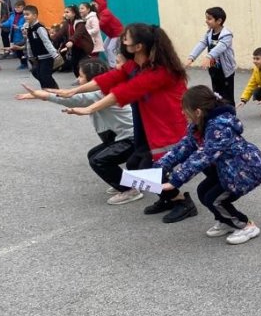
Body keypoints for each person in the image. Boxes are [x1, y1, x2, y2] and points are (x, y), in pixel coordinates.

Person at [51, 23, 192, 220]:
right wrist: (72, 90)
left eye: (127, 37)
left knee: (149, 167)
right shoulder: (135, 65)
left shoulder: (160, 71)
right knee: (135, 165)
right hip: (147, 124)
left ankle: (181, 200)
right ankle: (167, 196)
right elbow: (108, 79)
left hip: (168, 125)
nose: (122, 39)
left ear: (139, 46)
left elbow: (125, 91)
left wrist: (89, 109)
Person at [15, 58, 139, 204]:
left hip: (132, 139)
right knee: (93, 154)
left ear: (92, 79)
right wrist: (40, 95)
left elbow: (73, 99)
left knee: (99, 161)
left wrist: (44, 95)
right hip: (122, 136)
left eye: (81, 76)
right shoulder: (102, 90)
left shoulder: (101, 92)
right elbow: (74, 97)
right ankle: (124, 181)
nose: (78, 79)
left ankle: (129, 190)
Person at [156, 85, 261, 245]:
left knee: (214, 198)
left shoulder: (218, 127)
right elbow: (184, 146)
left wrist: (175, 180)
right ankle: (226, 221)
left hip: (245, 170)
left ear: (198, 112)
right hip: (229, 168)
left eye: (184, 109)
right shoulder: (198, 124)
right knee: (203, 191)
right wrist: (159, 166)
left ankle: (245, 225)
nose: (182, 113)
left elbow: (203, 156)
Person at [186, 6, 236, 104]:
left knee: (227, 96)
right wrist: (191, 58)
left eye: (209, 19)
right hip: (214, 70)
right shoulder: (209, 33)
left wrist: (209, 56)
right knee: (216, 94)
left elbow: (220, 47)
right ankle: (219, 114)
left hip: (226, 71)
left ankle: (231, 115)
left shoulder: (227, 35)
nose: (206, 21)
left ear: (219, 21)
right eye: (206, 18)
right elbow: (201, 44)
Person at [22, 5, 61, 89]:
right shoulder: (29, 28)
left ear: (35, 15)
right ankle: (46, 88)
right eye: (24, 15)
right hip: (37, 57)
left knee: (45, 75)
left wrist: (55, 55)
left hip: (47, 56)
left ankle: (55, 89)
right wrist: (30, 55)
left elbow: (47, 42)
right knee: (36, 72)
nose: (25, 17)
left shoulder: (39, 28)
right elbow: (29, 42)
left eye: (27, 14)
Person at [52, 5, 93, 77]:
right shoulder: (67, 23)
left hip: (84, 47)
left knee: (82, 64)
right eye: (65, 12)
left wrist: (71, 41)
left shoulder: (80, 23)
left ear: (74, 13)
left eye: (67, 12)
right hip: (75, 47)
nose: (65, 14)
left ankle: (87, 78)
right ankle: (79, 78)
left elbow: (78, 33)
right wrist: (51, 40)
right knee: (74, 63)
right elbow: (60, 33)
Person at [92, 0, 123, 67]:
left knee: (110, 48)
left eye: (95, 5)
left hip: (117, 33)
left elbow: (101, 24)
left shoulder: (106, 12)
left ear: (100, 5)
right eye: (92, 5)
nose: (93, 6)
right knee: (105, 47)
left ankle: (114, 65)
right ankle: (112, 63)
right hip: (111, 34)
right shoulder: (98, 13)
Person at [1, 0, 27, 69]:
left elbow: (26, 25)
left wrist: (19, 27)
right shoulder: (12, 15)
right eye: (16, 7)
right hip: (14, 35)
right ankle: (23, 63)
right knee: (18, 52)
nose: (17, 9)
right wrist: (2, 24)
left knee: (23, 51)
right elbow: (8, 23)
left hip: (22, 36)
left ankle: (25, 63)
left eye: (19, 7)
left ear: (23, 7)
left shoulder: (25, 16)